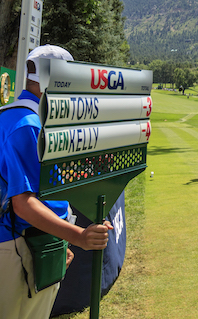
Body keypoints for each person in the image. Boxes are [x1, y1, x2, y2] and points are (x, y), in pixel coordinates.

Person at [1, 45, 112, 319]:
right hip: (20, 246)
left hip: (31, 243)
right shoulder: (29, 125)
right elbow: (24, 204)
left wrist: (62, 240)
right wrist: (79, 237)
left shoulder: (12, 114)